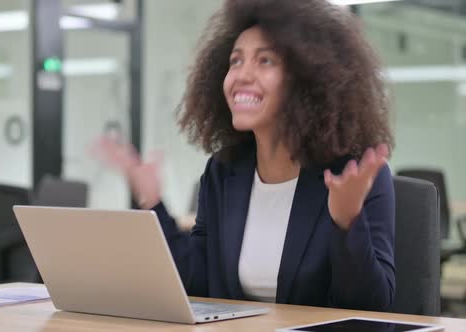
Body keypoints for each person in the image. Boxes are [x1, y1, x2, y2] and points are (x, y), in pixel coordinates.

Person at [93, 0, 395, 312]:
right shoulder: (224, 172)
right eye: (236, 61)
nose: (242, 75)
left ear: (306, 79)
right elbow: (197, 281)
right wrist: (152, 200)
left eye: (265, 61)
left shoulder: (353, 175)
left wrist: (348, 223)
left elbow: (369, 308)